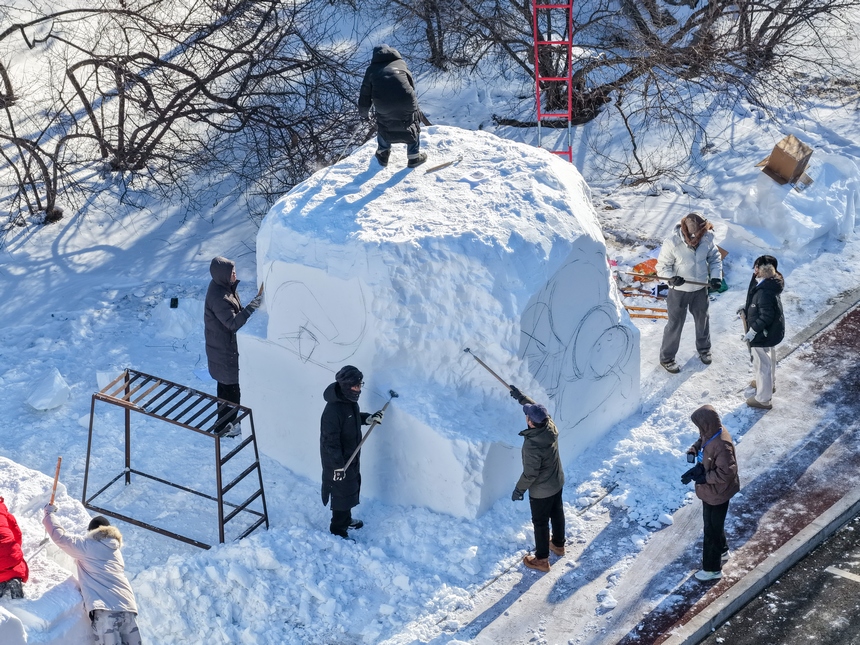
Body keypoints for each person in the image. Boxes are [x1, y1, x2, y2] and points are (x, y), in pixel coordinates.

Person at [42, 506, 141, 644]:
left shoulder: (88, 545)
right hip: (128, 607)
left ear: (92, 532)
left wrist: (48, 514)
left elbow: (60, 538)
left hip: (106, 608)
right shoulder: (115, 550)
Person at [320, 366, 384, 539]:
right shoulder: (333, 411)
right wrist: (338, 466)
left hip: (351, 455)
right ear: (346, 386)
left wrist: (368, 418)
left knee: (350, 487)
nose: (359, 389)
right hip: (338, 461)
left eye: (360, 384)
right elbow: (330, 443)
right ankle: (338, 530)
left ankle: (346, 520)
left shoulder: (349, 402)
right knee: (341, 492)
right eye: (355, 386)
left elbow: (353, 418)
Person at [656, 213, 723, 373]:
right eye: (692, 235)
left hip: (700, 289)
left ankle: (704, 349)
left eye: (698, 234)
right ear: (685, 230)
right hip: (679, 291)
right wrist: (671, 278)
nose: (695, 238)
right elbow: (662, 267)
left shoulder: (707, 239)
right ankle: (667, 358)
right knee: (675, 324)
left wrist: (715, 277)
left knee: (703, 320)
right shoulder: (672, 242)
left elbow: (715, 258)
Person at [508, 386, 565, 574]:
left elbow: (530, 474)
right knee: (557, 512)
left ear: (530, 423)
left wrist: (519, 490)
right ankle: (558, 544)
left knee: (540, 522)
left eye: (528, 416)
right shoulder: (550, 426)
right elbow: (538, 409)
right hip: (556, 481)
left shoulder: (532, 446)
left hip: (542, 491)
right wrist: (521, 398)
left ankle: (541, 559)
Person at [204, 256, 262, 437]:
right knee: (231, 392)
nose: (235, 274)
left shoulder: (223, 287)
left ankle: (223, 424)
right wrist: (255, 304)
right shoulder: (219, 297)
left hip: (222, 349)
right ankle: (226, 427)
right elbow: (233, 323)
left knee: (225, 391)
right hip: (224, 353)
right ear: (223, 274)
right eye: (231, 272)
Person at [681, 405, 740, 581]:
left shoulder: (722, 444)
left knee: (711, 529)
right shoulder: (712, 431)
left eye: (700, 425)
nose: (699, 430)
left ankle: (712, 569)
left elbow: (727, 472)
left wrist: (704, 478)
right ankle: (722, 552)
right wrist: (694, 448)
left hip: (718, 492)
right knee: (713, 524)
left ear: (706, 423)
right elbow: (703, 440)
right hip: (711, 491)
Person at [358, 44, 428, 169]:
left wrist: (364, 112)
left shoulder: (372, 69)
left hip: (384, 104)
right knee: (411, 120)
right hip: (406, 99)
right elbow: (410, 83)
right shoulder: (401, 63)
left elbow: (365, 93)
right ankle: (414, 157)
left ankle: (383, 154)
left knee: (384, 122)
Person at [740, 255, 785, 410]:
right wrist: (747, 308)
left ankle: (763, 399)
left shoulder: (765, 290)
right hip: (770, 329)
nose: (754, 269)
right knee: (767, 359)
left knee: (762, 364)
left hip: (763, 331)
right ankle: (767, 385)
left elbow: (766, 314)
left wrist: (753, 330)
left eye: (757, 267)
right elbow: (758, 303)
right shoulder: (767, 283)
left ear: (764, 269)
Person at [0, 497, 28, 599]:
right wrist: (14, 551)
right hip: (10, 554)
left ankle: (1, 583)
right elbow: (17, 533)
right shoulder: (5, 514)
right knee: (17, 563)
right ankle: (14, 578)